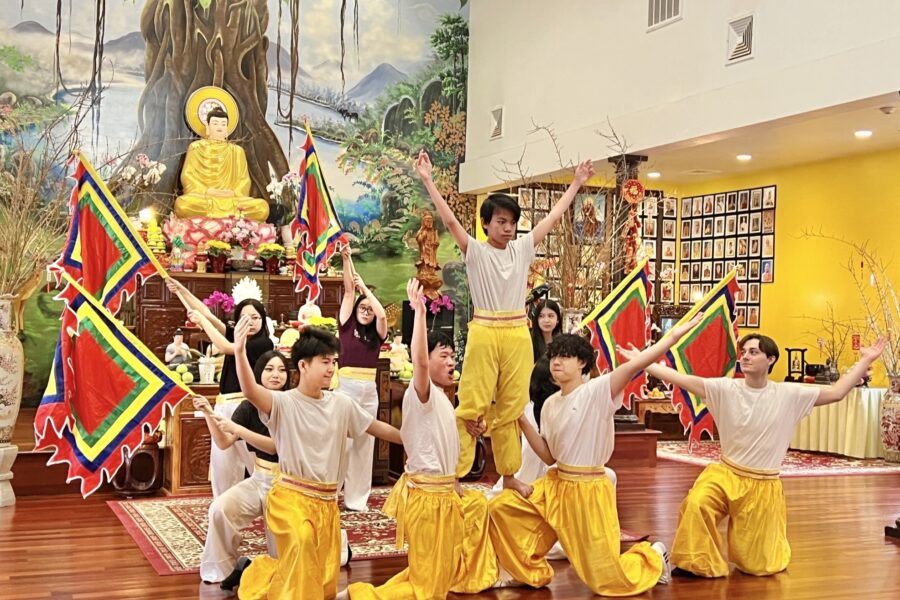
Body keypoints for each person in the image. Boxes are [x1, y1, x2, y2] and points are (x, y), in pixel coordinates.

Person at [621, 334, 886, 578]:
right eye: (744, 351)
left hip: (763, 485)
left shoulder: (788, 394)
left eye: (754, 352)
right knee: (697, 503)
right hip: (725, 474)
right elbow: (681, 379)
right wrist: (643, 362)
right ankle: (695, 563)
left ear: (770, 359)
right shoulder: (725, 389)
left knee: (760, 566)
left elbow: (836, 392)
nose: (745, 356)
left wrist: (866, 359)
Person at [415, 149, 595, 498]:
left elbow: (554, 218)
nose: (507, 227)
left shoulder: (522, 248)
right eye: (500, 221)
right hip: (484, 329)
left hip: (516, 333)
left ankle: (509, 475)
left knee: (513, 406)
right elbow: (451, 222)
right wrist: (427, 179)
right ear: (485, 223)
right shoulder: (476, 251)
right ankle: (454, 475)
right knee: (471, 404)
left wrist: (575, 184)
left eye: (511, 222)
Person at [488, 318, 701, 596]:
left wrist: (671, 338)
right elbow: (550, 456)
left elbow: (634, 366)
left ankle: (652, 556)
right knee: (501, 509)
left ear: (582, 364)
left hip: (588, 492)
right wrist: (523, 422)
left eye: (565, 357)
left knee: (606, 582)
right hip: (555, 485)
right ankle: (526, 572)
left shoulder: (597, 391)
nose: (556, 362)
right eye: (554, 356)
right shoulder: (551, 404)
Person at [343, 279, 498, 599]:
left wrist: (454, 482)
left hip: (442, 494)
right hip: (427, 500)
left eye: (453, 355)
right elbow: (421, 363)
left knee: (437, 571)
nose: (451, 360)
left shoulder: (442, 399)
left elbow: (431, 443)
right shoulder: (422, 391)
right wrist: (418, 312)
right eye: (444, 355)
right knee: (427, 586)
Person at [233, 322, 402, 599]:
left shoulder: (341, 404)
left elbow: (376, 427)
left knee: (320, 583)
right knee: (301, 543)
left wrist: (411, 440)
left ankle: (257, 572)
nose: (331, 368)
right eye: (325, 361)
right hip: (291, 498)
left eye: (334, 362)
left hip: (326, 504)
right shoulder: (283, 402)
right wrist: (240, 352)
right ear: (302, 366)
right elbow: (251, 392)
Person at [167, 277, 274, 496]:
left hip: (248, 409)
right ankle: (224, 509)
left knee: (258, 466)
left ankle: (272, 507)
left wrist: (202, 322)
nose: (251, 322)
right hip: (224, 406)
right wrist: (182, 291)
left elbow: (227, 347)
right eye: (245, 318)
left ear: (263, 320)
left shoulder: (263, 343)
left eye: (255, 318)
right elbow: (207, 314)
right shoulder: (237, 334)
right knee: (222, 467)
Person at [196, 351, 289, 587]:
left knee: (282, 560)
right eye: (269, 369)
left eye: (281, 370)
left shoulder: (292, 404)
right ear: (257, 375)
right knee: (220, 509)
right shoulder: (247, 407)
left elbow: (276, 447)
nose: (276, 375)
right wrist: (209, 413)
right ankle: (223, 569)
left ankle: (340, 550)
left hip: (288, 485)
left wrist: (239, 430)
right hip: (260, 478)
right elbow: (224, 442)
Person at [337, 245, 388, 512]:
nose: (366, 310)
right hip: (345, 388)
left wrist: (366, 291)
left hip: (369, 388)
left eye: (368, 307)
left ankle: (356, 499)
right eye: (362, 307)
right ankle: (330, 491)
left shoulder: (377, 332)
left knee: (364, 443)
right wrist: (347, 260)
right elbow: (347, 291)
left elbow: (381, 314)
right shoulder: (346, 325)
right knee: (341, 442)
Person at [174, 107, 269, 221]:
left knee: (262, 207)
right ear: (207, 127)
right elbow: (187, 176)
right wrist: (206, 191)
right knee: (183, 205)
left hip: (231, 199)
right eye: (215, 123)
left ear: (227, 129)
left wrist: (233, 193)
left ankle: (216, 218)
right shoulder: (196, 147)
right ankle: (230, 219)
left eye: (223, 124)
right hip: (204, 198)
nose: (220, 127)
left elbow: (244, 180)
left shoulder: (236, 151)